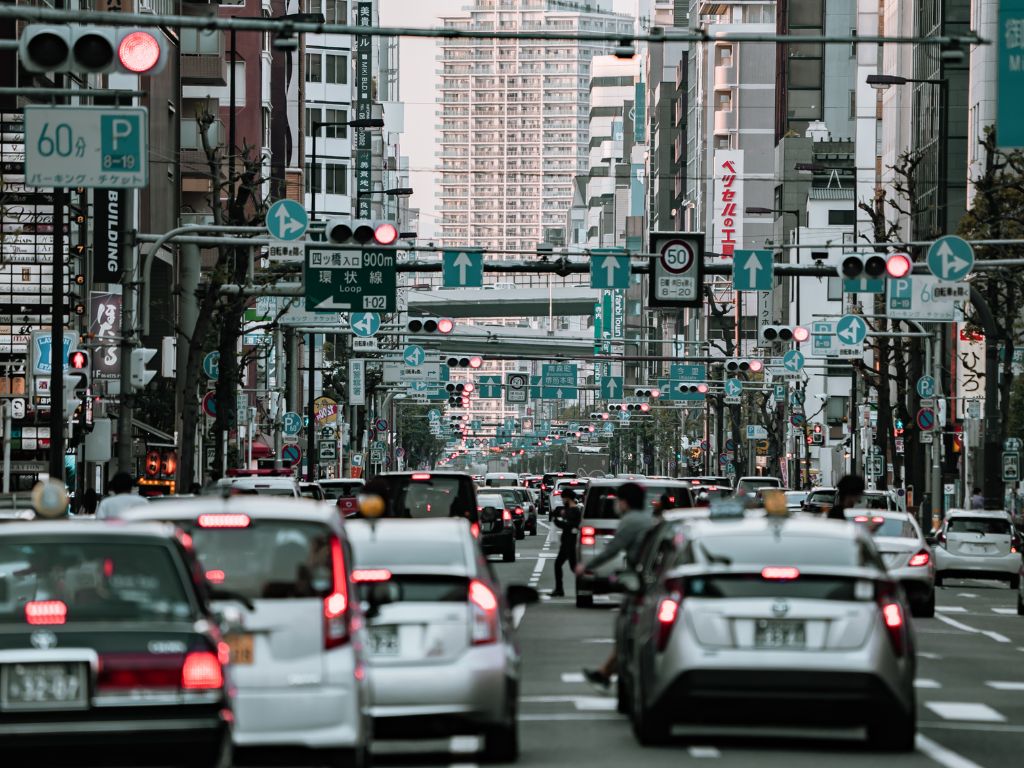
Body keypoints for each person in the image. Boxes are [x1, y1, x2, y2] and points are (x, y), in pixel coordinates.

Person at [574, 481, 651, 691]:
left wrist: (586, 567)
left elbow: (613, 549)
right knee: (630, 632)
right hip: (644, 578)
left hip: (644, 584)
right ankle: (604, 673)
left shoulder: (631, 521)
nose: (616, 504)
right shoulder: (646, 518)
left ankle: (610, 674)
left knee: (629, 631)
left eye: (618, 500)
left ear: (624, 502)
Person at [551, 488, 582, 597]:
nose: (562, 500)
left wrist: (556, 521)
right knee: (562, 565)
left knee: (572, 566)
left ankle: (584, 585)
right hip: (568, 542)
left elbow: (568, 525)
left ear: (567, 498)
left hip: (570, 543)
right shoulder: (571, 509)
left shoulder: (574, 511)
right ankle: (559, 589)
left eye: (563, 498)